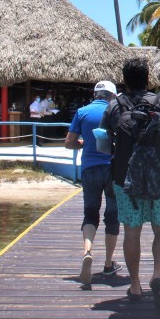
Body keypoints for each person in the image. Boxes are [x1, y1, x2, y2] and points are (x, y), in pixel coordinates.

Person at [99, 58, 160, 309]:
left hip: (125, 180)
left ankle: (134, 284)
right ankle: (157, 276)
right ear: (148, 78)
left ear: (124, 80)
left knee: (132, 232)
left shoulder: (114, 106)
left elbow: (104, 148)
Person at [64, 81, 122, 287]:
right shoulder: (116, 111)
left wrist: (84, 143)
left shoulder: (82, 112)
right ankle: (108, 264)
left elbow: (69, 142)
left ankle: (87, 251)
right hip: (113, 169)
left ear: (96, 94)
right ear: (112, 96)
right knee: (112, 216)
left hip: (89, 169)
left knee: (90, 213)